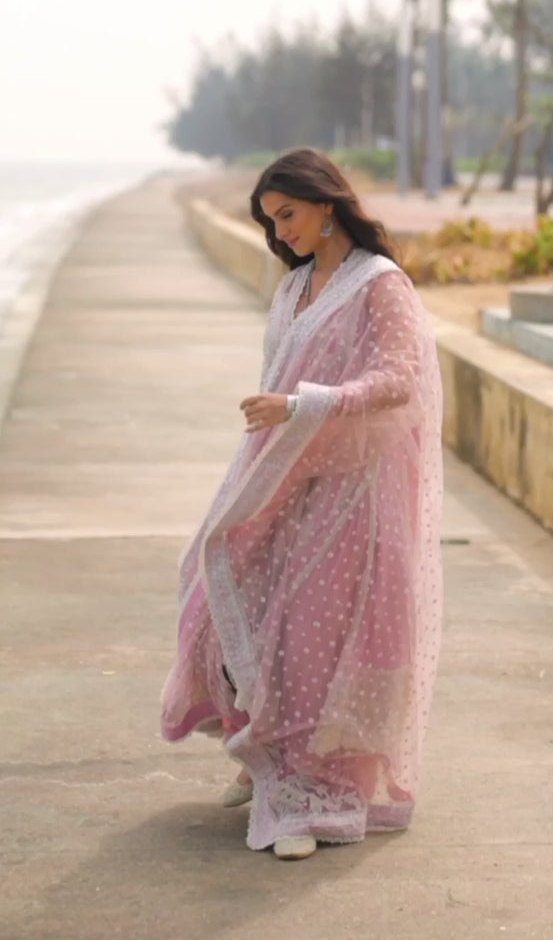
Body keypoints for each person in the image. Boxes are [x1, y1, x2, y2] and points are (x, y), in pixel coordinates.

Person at [160, 148, 443, 860]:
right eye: (270, 221)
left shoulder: (380, 284)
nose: (281, 231)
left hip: (356, 491)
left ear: (325, 203)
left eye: (287, 214)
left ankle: (312, 796)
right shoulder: (295, 285)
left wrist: (302, 405)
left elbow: (399, 379)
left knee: (313, 635)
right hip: (284, 476)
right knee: (220, 593)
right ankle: (264, 757)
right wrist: (278, 422)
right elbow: (280, 371)